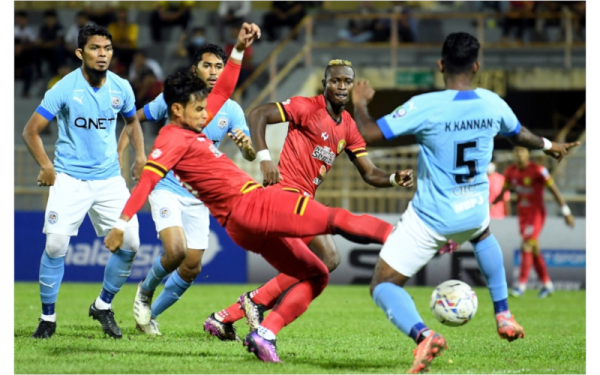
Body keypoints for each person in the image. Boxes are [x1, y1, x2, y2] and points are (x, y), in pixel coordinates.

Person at [104, 72, 411, 364]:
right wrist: (121, 223)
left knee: (319, 272)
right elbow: (147, 180)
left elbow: (223, 91)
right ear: (177, 109)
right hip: (262, 203)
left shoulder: (190, 130)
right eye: (199, 109)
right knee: (336, 219)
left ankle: (263, 333)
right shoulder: (172, 139)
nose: (206, 114)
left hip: (240, 224)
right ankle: (406, 237)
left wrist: (239, 46)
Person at [350, 32, 580, 373]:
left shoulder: (425, 105)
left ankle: (424, 336)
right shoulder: (492, 102)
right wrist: (549, 146)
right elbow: (519, 135)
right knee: (483, 234)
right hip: (473, 209)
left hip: (432, 216)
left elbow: (368, 134)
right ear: (476, 66)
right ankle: (503, 314)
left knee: (383, 283)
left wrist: (360, 102)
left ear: (441, 65)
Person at [204, 59, 414, 341]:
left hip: (302, 202)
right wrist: (265, 160)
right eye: (335, 81)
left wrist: (392, 178)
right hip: (284, 195)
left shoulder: (349, 126)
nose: (341, 86)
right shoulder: (307, 107)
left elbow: (369, 172)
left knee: (320, 263)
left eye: (347, 82)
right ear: (325, 84)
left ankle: (226, 315)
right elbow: (258, 114)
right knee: (327, 257)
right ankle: (252, 303)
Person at [117, 28, 259, 336]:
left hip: (199, 196)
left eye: (219, 66)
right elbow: (133, 119)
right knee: (177, 250)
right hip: (166, 186)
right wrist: (134, 156)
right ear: (195, 69)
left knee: (192, 265)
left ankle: (149, 316)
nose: (213, 72)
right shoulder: (176, 99)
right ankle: (145, 289)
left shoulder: (230, 109)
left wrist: (247, 146)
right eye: (207, 65)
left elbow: (248, 155)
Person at [22, 25, 146, 340]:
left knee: (131, 244)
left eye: (107, 48)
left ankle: (103, 306)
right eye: (94, 48)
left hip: (108, 181)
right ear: (80, 53)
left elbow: (132, 121)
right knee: (56, 245)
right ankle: (47, 318)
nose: (102, 53)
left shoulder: (122, 87)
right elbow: (31, 130)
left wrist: (139, 156)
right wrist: (46, 165)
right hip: (69, 179)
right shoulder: (64, 88)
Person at [491, 146, 575, 298]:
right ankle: (547, 284)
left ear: (528, 153)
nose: (519, 154)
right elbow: (503, 194)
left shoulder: (538, 170)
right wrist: (490, 204)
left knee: (526, 244)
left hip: (536, 214)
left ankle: (521, 285)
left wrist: (566, 212)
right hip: (523, 216)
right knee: (534, 249)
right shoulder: (510, 172)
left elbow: (554, 190)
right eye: (516, 151)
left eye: (522, 151)